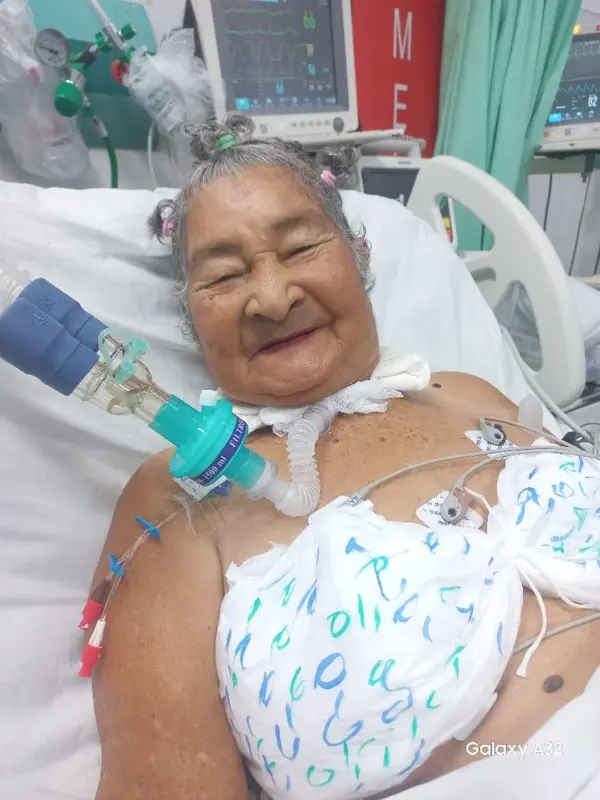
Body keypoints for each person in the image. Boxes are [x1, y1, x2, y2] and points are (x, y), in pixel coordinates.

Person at [90, 115, 600, 800]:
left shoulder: (463, 391)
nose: (272, 299)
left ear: (357, 255)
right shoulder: (179, 497)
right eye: (224, 276)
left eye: (300, 248)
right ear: (191, 317)